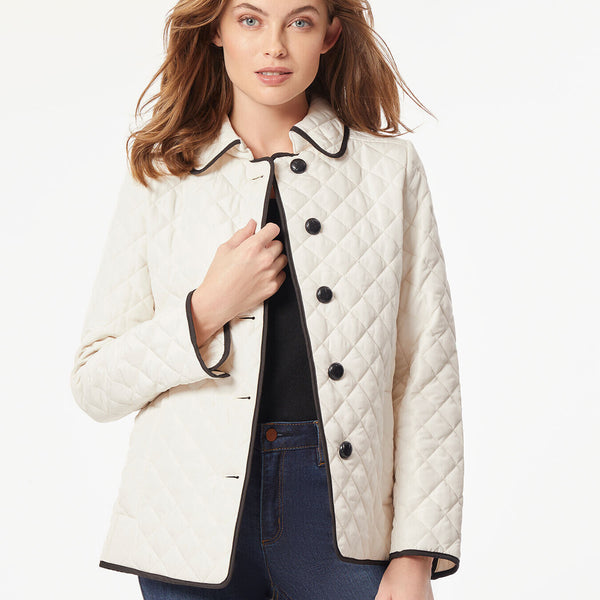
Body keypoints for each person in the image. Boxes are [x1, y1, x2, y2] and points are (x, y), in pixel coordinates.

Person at [70, 0, 464, 598]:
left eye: (299, 21)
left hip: (340, 512)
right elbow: (94, 384)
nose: (275, 45)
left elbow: (426, 374)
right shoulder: (163, 174)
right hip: (185, 514)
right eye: (250, 19)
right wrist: (206, 309)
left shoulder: (389, 169)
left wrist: (416, 553)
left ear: (330, 34)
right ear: (217, 30)